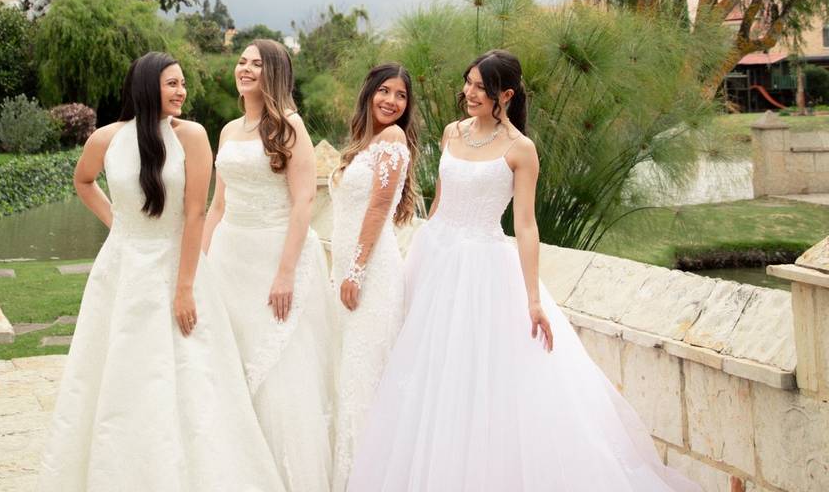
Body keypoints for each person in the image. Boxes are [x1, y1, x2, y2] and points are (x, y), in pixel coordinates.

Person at [346, 50, 699, 492]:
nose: (469, 93)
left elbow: (526, 225)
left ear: (505, 95)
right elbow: (439, 201)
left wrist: (533, 299)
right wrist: (423, 244)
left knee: (480, 376)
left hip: (483, 269)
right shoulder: (453, 133)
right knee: (425, 372)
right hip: (434, 258)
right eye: (468, 83)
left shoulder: (520, 150)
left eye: (480, 87)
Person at [37, 52, 284, 492]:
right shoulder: (107, 138)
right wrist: (119, 222)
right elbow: (83, 181)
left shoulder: (192, 136)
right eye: (172, 83)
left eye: (183, 83)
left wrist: (184, 287)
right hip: (123, 269)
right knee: (116, 371)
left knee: (191, 372)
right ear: (148, 86)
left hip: (177, 264)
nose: (181, 92)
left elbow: (195, 213)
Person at [202, 39, 333, 491]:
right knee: (228, 360)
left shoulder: (290, 127)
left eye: (256, 64)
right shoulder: (228, 131)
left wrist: (285, 272)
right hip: (229, 258)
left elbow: (304, 200)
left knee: (276, 369)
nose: (245, 69)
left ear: (273, 73)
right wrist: (200, 261)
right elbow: (217, 205)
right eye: (241, 61)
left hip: (274, 254)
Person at [328, 63, 418, 492]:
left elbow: (379, 208)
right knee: (350, 375)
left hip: (370, 274)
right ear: (369, 94)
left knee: (364, 376)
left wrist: (356, 271)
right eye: (384, 91)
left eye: (400, 96)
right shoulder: (366, 142)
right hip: (346, 270)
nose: (391, 102)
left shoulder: (394, 139)